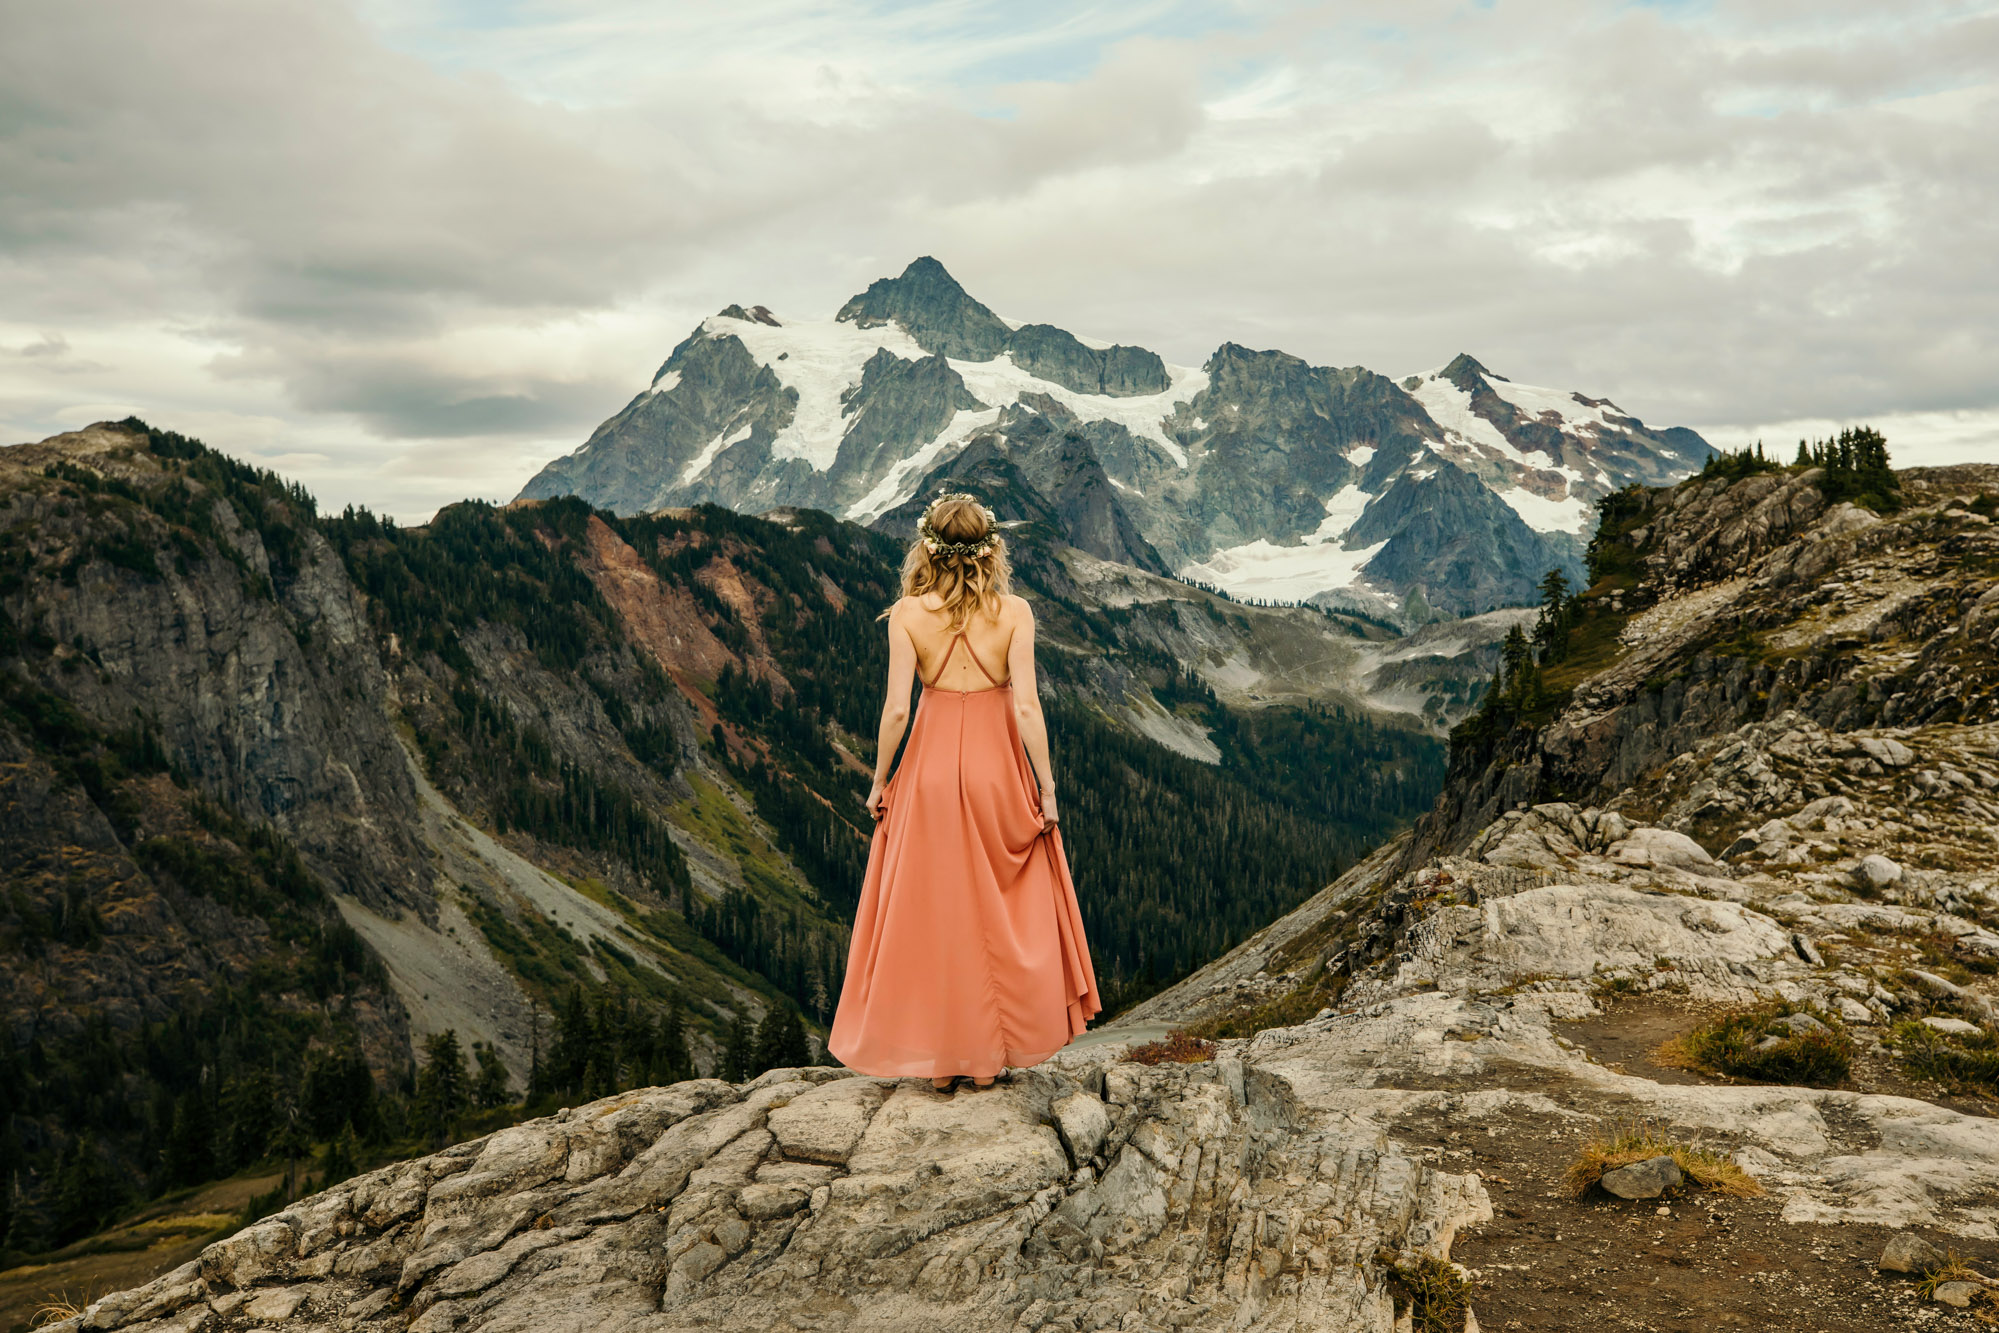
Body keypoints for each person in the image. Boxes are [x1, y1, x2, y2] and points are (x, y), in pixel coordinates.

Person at [828, 493, 1101, 1090]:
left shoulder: (905, 614)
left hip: (927, 772)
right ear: (990, 547)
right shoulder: (1016, 612)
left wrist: (879, 782)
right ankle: (988, 1058)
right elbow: (1027, 707)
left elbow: (897, 710)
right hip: (996, 769)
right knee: (998, 908)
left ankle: (943, 1062)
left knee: (935, 913)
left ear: (926, 547)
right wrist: (1048, 790)